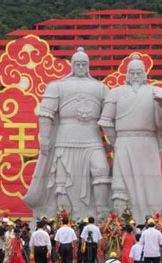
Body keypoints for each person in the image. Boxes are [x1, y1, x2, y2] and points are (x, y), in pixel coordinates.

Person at [24, 47, 111, 220]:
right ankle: (63, 217)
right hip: (65, 139)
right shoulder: (57, 86)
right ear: (72, 65)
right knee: (61, 182)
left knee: (101, 171)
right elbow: (46, 114)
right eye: (77, 63)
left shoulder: (101, 88)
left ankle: (102, 213)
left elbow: (111, 116)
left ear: (88, 65)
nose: (80, 66)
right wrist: (45, 138)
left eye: (83, 64)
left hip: (92, 138)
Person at [98, 53, 162, 223]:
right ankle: (122, 223)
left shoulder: (153, 91)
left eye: (138, 72)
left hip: (147, 143)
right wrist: (116, 140)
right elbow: (105, 121)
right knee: (122, 186)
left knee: (149, 185)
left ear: (145, 73)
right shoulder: (116, 93)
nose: (135, 76)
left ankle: (152, 220)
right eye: (132, 72)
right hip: (124, 142)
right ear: (127, 73)